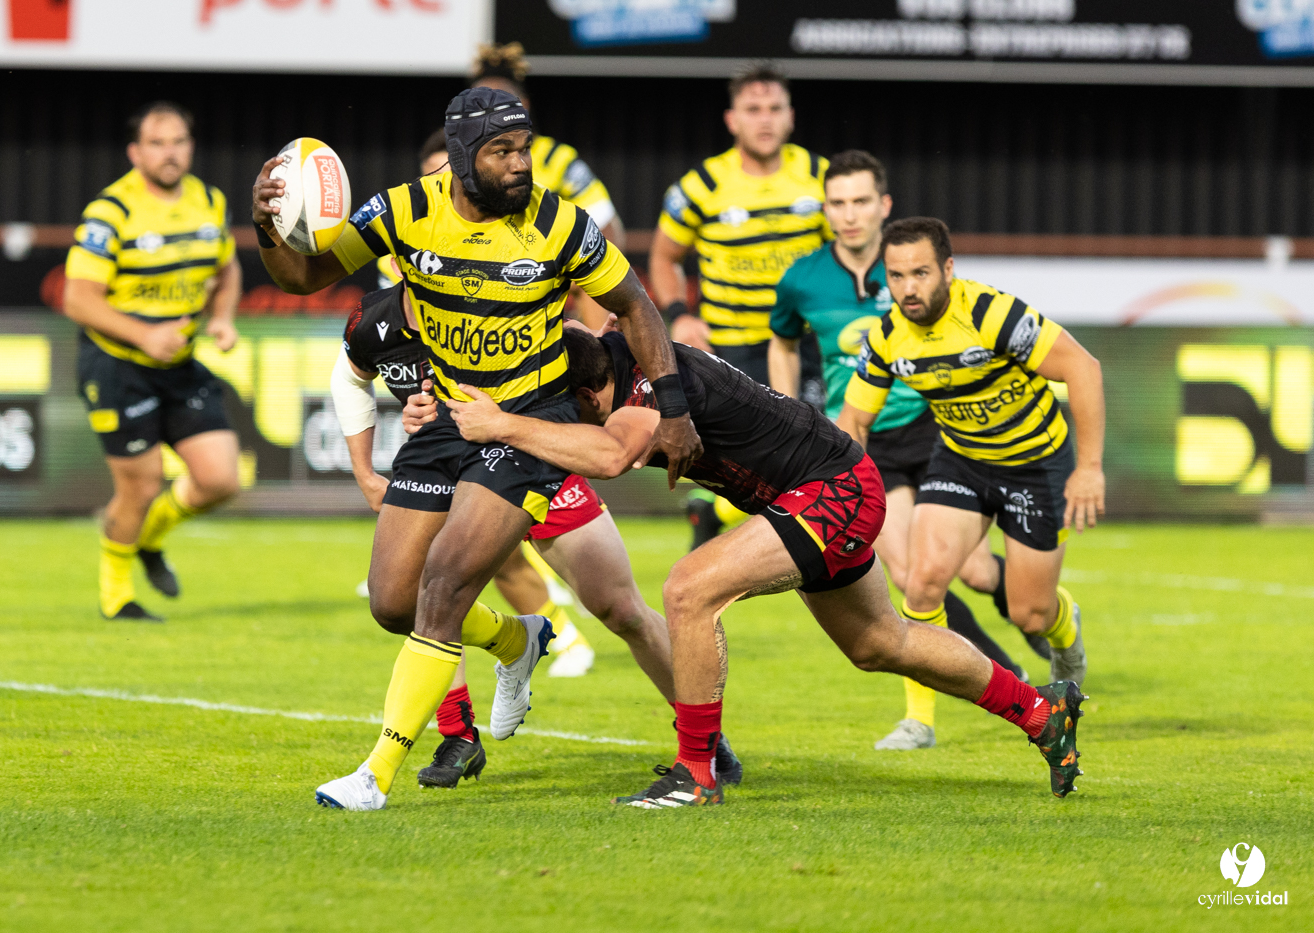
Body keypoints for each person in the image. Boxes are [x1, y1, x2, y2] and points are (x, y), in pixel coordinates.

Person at [251, 86, 701, 811]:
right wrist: (267, 223)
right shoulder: (403, 210)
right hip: (448, 421)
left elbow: (635, 305)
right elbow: (304, 276)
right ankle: (515, 641)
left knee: (450, 583)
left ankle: (374, 775)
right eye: (501, 151)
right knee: (393, 601)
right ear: (461, 159)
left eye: (525, 149)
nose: (520, 164)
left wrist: (672, 408)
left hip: (527, 423)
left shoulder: (559, 224)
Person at [439, 324, 1088, 807]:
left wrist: (501, 426)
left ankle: (696, 773)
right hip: (832, 483)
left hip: (831, 489)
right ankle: (1040, 711)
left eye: (564, 410)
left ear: (587, 392)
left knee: (688, 589)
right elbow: (594, 324)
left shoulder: (641, 396)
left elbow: (609, 456)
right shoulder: (622, 353)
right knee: (879, 643)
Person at [334, 282, 741, 788]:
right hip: (454, 464)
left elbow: (561, 325)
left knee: (621, 609)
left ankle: (706, 740)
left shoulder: (485, 278)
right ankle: (457, 731)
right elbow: (352, 375)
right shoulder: (380, 317)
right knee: (426, 591)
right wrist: (391, 440)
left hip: (532, 455)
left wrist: (596, 340)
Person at [768, 150, 1039, 751]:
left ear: (883, 205)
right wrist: (788, 411)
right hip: (868, 443)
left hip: (935, 429)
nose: (849, 214)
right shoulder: (802, 279)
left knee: (976, 571)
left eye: (861, 201)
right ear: (825, 209)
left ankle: (1035, 617)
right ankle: (987, 686)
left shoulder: (911, 268)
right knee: (914, 577)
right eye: (838, 203)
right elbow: (782, 342)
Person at [365, 131, 600, 677]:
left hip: (529, 427)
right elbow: (382, 358)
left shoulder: (530, 235)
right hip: (459, 435)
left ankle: (557, 637)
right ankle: (549, 641)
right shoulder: (403, 257)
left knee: (615, 601)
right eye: (430, 180)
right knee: (425, 587)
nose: (440, 188)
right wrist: (414, 406)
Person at [839, 218, 1104, 695]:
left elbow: (1082, 367)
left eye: (920, 273)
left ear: (948, 269)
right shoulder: (886, 336)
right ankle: (918, 721)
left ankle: (1066, 633)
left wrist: (1088, 469)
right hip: (962, 460)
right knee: (921, 584)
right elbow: (855, 421)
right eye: (896, 276)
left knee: (1032, 613)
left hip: (1035, 464)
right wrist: (839, 490)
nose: (908, 288)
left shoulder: (991, 314)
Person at [62, 101, 241, 622]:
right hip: (118, 366)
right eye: (157, 143)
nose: (170, 152)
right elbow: (78, 299)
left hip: (178, 364)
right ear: (135, 152)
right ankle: (116, 596)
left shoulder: (209, 201)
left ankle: (149, 537)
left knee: (220, 480)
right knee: (140, 486)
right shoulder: (111, 211)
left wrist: (222, 317)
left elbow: (227, 269)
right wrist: (144, 334)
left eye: (179, 141)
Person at [648, 61, 830, 548]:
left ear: (790, 116)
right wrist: (680, 316)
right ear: (732, 120)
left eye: (774, 108)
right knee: (756, 459)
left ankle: (713, 515)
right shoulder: (702, 185)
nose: (764, 119)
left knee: (804, 455)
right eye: (753, 109)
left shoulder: (821, 178)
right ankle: (726, 531)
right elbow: (663, 258)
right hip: (732, 347)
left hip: (803, 345)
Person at [469, 42, 626, 330]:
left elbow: (606, 225)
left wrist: (572, 274)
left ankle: (604, 350)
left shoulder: (557, 159)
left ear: (523, 106)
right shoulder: (456, 161)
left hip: (540, 274)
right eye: (479, 106)